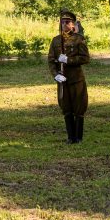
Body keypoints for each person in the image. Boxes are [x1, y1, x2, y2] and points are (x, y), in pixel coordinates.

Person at [48, 9, 90, 144]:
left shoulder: (79, 39)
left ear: (73, 24)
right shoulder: (55, 41)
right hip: (63, 80)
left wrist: (68, 60)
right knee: (66, 108)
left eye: (68, 22)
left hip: (76, 79)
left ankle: (78, 138)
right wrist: (55, 75)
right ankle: (70, 137)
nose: (65, 24)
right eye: (63, 22)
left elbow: (85, 58)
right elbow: (51, 60)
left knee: (79, 108)